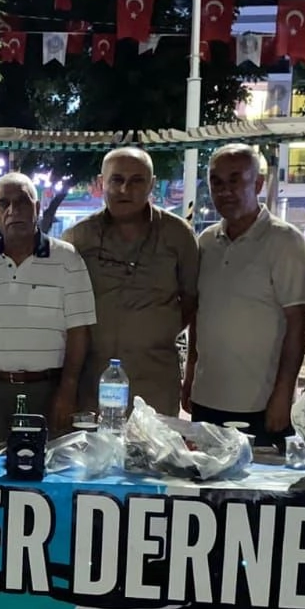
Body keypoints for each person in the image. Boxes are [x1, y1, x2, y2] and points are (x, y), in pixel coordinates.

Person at [0, 173, 95, 441]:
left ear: (37, 207)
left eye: (23, 201)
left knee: (46, 465)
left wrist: (68, 390)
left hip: (48, 390)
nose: (13, 210)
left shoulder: (67, 259)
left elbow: (79, 332)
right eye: (4, 204)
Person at [185, 144, 305, 447]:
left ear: (258, 184)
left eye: (235, 180)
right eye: (217, 182)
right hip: (207, 399)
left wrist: (284, 394)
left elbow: (298, 324)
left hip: (262, 404)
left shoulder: (286, 241)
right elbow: (199, 314)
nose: (225, 191)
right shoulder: (206, 242)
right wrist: (190, 374)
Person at [64, 147, 199, 416]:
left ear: (152, 184)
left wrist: (155, 330)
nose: (125, 189)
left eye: (137, 180)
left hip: (155, 379)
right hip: (93, 380)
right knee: (94, 443)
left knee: (154, 443)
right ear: (101, 183)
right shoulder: (78, 238)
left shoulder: (178, 235)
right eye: (117, 180)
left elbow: (192, 301)